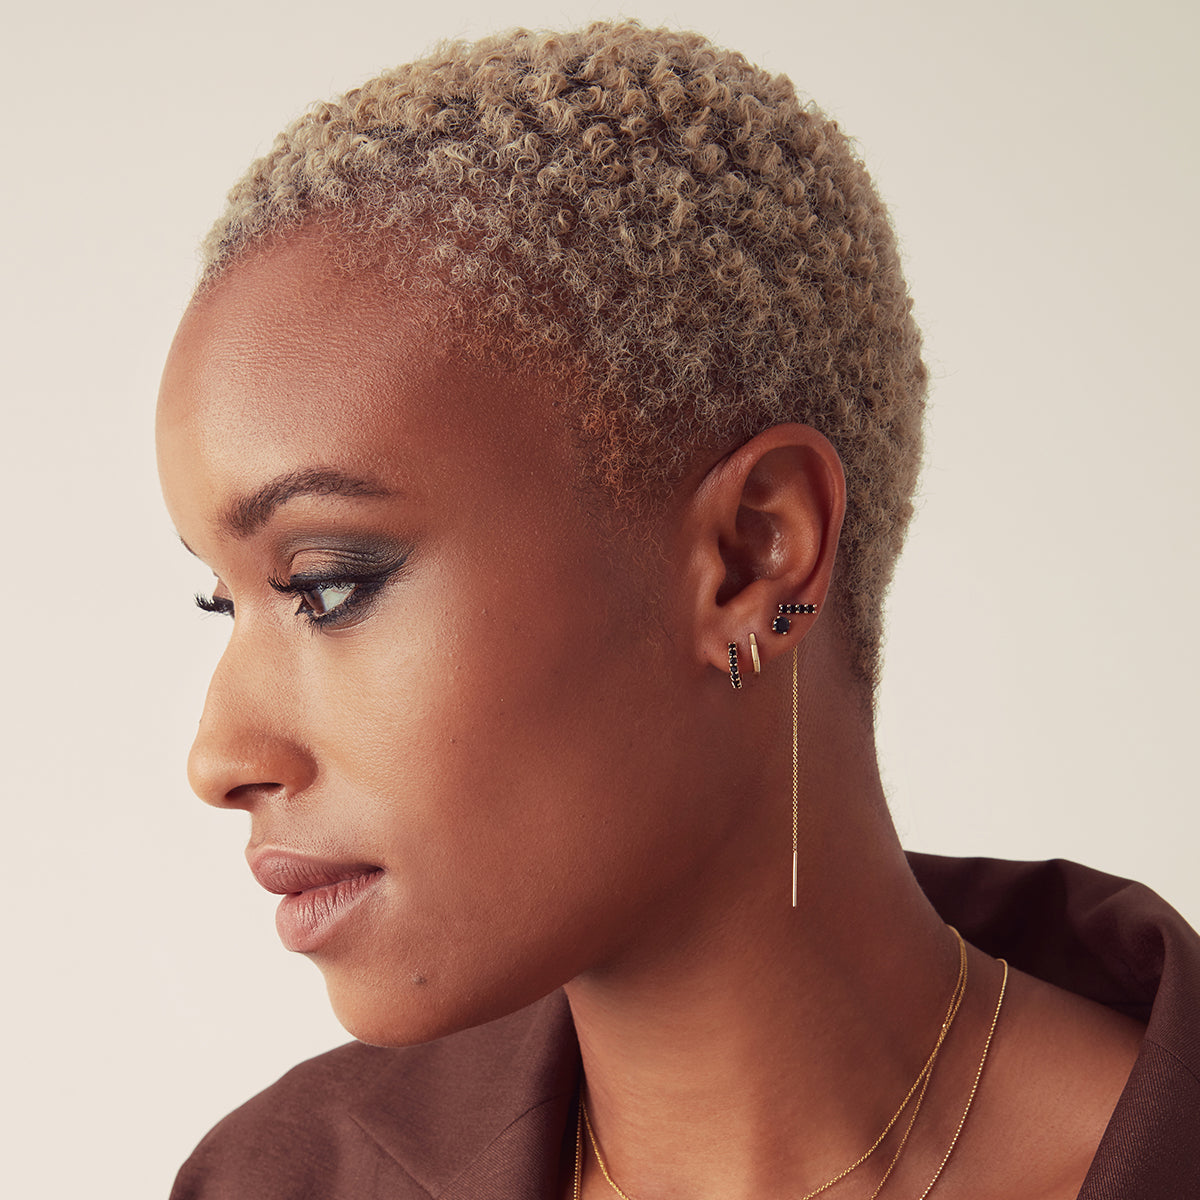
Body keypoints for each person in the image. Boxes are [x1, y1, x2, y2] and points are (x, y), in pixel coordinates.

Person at [157, 20, 1199, 1199]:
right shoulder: (279, 1181)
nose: (218, 758)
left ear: (754, 556)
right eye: (220, 600)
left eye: (327, 583)